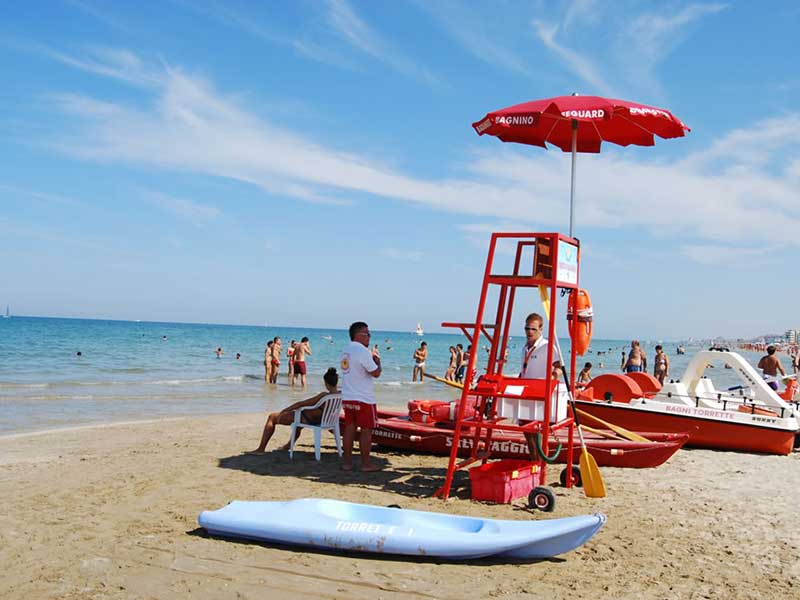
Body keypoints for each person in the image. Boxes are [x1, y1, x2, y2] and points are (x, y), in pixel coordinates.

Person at [247, 368, 340, 454]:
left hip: (308, 419)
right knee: (298, 425)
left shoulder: (324, 395)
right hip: (321, 420)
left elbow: (301, 404)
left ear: (326, 383)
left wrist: (285, 410)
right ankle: (288, 446)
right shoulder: (340, 394)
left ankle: (261, 449)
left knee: (272, 417)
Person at [519, 312, 562, 460]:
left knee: (536, 431)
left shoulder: (547, 346)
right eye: (527, 329)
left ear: (540, 329)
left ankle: (539, 462)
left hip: (539, 394)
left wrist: (550, 379)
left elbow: (559, 368)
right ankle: (533, 460)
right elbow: (525, 369)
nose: (529, 332)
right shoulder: (525, 347)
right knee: (525, 429)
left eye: (533, 329)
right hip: (525, 392)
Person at [340, 321, 382, 472]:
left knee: (349, 429)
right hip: (363, 397)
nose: (369, 337)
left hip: (348, 395)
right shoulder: (363, 351)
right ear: (359, 335)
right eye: (368, 334)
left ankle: (347, 463)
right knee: (366, 430)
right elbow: (375, 373)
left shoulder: (345, 350)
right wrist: (378, 362)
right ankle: (366, 464)